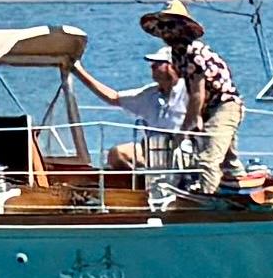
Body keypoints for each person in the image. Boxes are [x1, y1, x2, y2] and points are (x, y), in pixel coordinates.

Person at [138, 0, 244, 194]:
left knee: (208, 158)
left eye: (171, 26)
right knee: (228, 159)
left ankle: (206, 204)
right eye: (161, 27)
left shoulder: (193, 52)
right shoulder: (177, 54)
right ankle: (240, 191)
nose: (166, 32)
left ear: (183, 28)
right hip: (210, 108)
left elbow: (197, 91)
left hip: (223, 105)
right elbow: (189, 89)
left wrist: (189, 123)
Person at [71, 45, 188, 179]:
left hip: (181, 149)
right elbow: (113, 97)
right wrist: (78, 71)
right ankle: (140, 185)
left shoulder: (189, 92)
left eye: (158, 64)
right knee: (117, 154)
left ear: (172, 67)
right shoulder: (149, 94)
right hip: (152, 149)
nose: (152, 67)